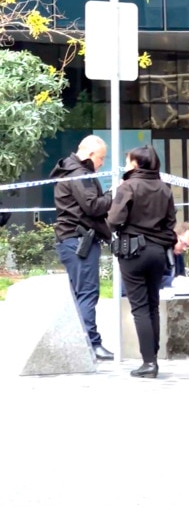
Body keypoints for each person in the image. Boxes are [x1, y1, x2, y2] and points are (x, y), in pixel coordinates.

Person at [108, 145, 176, 379]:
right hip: (158, 252)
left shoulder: (127, 187)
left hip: (133, 251)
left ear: (136, 164)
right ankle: (152, 358)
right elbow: (170, 224)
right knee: (152, 305)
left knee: (139, 308)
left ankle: (149, 362)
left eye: (128, 161)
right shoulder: (164, 189)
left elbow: (114, 220)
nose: (126, 165)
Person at [50, 135, 114, 360]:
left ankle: (82, 344)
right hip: (79, 241)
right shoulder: (79, 174)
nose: (102, 164)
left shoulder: (70, 171)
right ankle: (90, 345)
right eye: (101, 158)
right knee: (87, 293)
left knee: (81, 293)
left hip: (72, 240)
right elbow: (93, 206)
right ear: (89, 154)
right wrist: (114, 194)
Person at [161, 221, 189, 289]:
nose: (185, 249)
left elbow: (181, 276)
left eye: (188, 246)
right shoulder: (158, 252)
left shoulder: (179, 256)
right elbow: (152, 279)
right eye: (184, 243)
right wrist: (173, 281)